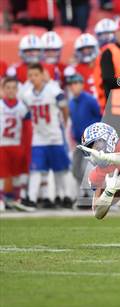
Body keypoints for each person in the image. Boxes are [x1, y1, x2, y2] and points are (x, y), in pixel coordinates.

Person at [21, 64, 71, 208]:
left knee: (60, 169)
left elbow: (64, 106)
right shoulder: (27, 94)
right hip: (39, 138)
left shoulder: (53, 90)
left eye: (36, 75)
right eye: (30, 75)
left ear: (43, 75)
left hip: (55, 135)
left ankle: (64, 196)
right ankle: (31, 199)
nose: (33, 78)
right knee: (36, 168)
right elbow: (25, 112)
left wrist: (65, 122)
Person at [67, 73, 102, 207]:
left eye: (76, 83)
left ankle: (89, 197)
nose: (74, 86)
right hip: (79, 141)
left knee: (88, 168)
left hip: (91, 142)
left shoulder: (89, 100)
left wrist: (98, 138)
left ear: (81, 84)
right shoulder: (71, 102)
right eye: (71, 84)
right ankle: (83, 195)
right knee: (76, 169)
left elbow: (99, 116)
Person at [0, 77, 33, 211]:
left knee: (17, 174)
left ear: (17, 90)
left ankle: (15, 199)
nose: (11, 90)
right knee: (2, 174)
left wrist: (26, 147)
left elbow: (27, 129)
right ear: (3, 89)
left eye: (13, 88)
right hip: (2, 144)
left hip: (17, 144)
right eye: (8, 88)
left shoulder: (22, 107)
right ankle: (1, 199)